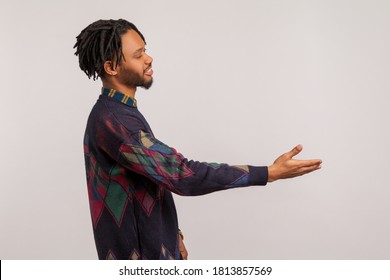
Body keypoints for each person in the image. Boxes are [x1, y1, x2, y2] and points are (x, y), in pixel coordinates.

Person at [74, 19, 322, 260]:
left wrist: (174, 234)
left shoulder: (119, 113)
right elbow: (182, 174)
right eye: (138, 55)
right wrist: (269, 173)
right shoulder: (116, 122)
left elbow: (150, 178)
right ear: (111, 67)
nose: (148, 59)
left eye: (145, 51)